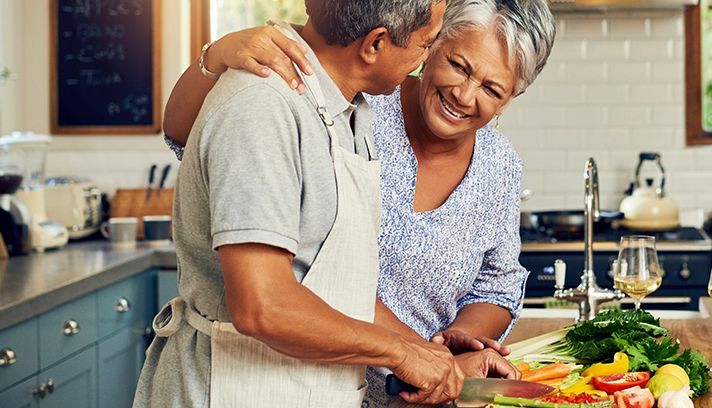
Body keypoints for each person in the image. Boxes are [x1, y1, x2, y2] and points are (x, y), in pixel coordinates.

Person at [161, 0, 556, 405]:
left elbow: (343, 284)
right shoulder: (272, 102)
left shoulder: (352, 111)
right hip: (231, 383)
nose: (464, 93)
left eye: (492, 89)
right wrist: (406, 355)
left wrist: (438, 362)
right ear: (377, 43)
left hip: (323, 385)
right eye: (429, 46)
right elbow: (263, 305)